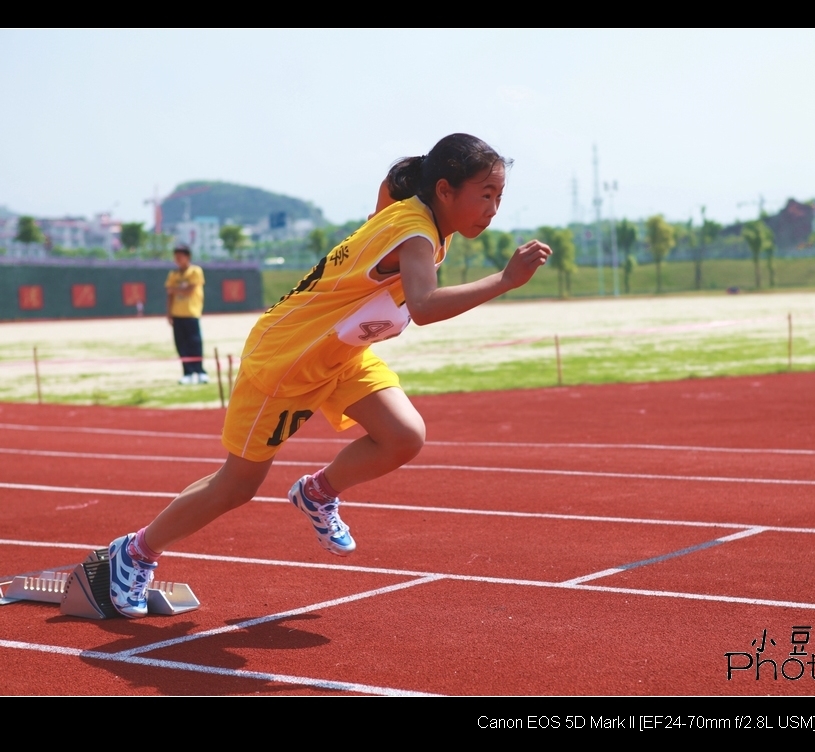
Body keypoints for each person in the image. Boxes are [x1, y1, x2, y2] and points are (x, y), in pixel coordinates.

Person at [108, 133, 552, 617]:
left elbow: (388, 190)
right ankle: (133, 553)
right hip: (289, 358)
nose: (493, 209)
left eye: (500, 197)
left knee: (403, 435)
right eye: (485, 195)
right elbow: (423, 306)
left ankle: (317, 492)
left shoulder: (419, 214)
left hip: (341, 352)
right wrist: (506, 281)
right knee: (236, 486)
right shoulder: (416, 234)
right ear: (444, 190)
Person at [166, 245, 210, 384]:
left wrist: (175, 289)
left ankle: (200, 371)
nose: (177, 260)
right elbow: (169, 294)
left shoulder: (195, 271)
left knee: (195, 343)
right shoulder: (173, 274)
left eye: (180, 256)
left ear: (188, 257)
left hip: (191, 313)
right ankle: (188, 373)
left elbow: (190, 290)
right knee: (181, 345)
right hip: (177, 314)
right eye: (176, 257)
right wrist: (169, 313)